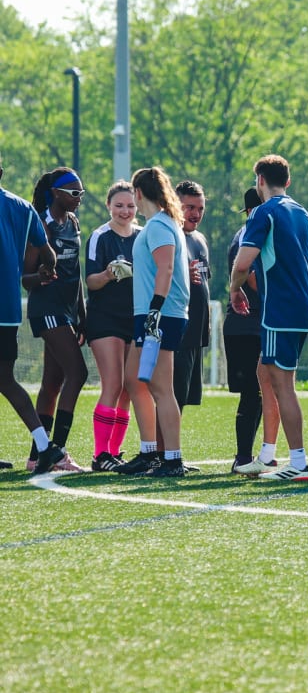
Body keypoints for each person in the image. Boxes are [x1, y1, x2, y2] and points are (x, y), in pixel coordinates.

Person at [230, 154, 308, 482]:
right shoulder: (302, 212)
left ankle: (298, 463)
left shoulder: (264, 212)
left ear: (260, 181)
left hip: (279, 308)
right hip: (301, 305)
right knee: (264, 371)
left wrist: (234, 290)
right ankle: (266, 455)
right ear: (288, 181)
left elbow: (242, 264)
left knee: (283, 385)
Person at [115, 167, 191, 478]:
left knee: (161, 388)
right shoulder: (155, 225)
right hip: (150, 313)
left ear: (139, 192)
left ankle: (171, 459)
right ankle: (149, 453)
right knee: (134, 380)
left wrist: (155, 310)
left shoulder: (159, 224)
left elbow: (166, 268)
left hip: (160, 315)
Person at [25, 167, 89, 472]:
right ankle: (58, 451)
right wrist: (39, 276)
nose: (79, 198)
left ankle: (37, 455)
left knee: (52, 382)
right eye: (74, 193)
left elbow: (75, 275)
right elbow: (24, 279)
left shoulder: (73, 223)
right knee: (78, 373)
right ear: (56, 193)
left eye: (81, 193)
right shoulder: (41, 223)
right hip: (46, 308)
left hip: (66, 311)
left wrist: (82, 316)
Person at [0, 160, 63, 473]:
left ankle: (45, 446)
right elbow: (48, 252)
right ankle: (44, 446)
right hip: (8, 311)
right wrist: (47, 270)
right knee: (5, 379)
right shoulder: (24, 208)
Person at [84, 181, 141, 471]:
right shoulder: (100, 236)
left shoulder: (143, 236)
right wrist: (108, 274)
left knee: (130, 387)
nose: (125, 211)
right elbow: (90, 281)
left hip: (135, 318)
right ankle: (100, 455)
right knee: (114, 383)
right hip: (104, 319)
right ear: (109, 205)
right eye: (119, 205)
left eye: (130, 205)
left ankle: (115, 452)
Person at [224, 188, 280, 474]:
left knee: (259, 391)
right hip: (246, 325)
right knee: (252, 392)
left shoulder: (253, 233)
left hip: (252, 323)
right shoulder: (249, 235)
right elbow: (254, 279)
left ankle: (255, 455)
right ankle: (243, 456)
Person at [172, 182, 211, 429]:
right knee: (170, 396)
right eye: (189, 207)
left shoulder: (199, 239)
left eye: (200, 208)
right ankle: (162, 453)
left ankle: (169, 451)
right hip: (177, 329)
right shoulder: (169, 235)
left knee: (182, 397)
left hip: (197, 331)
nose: (195, 213)